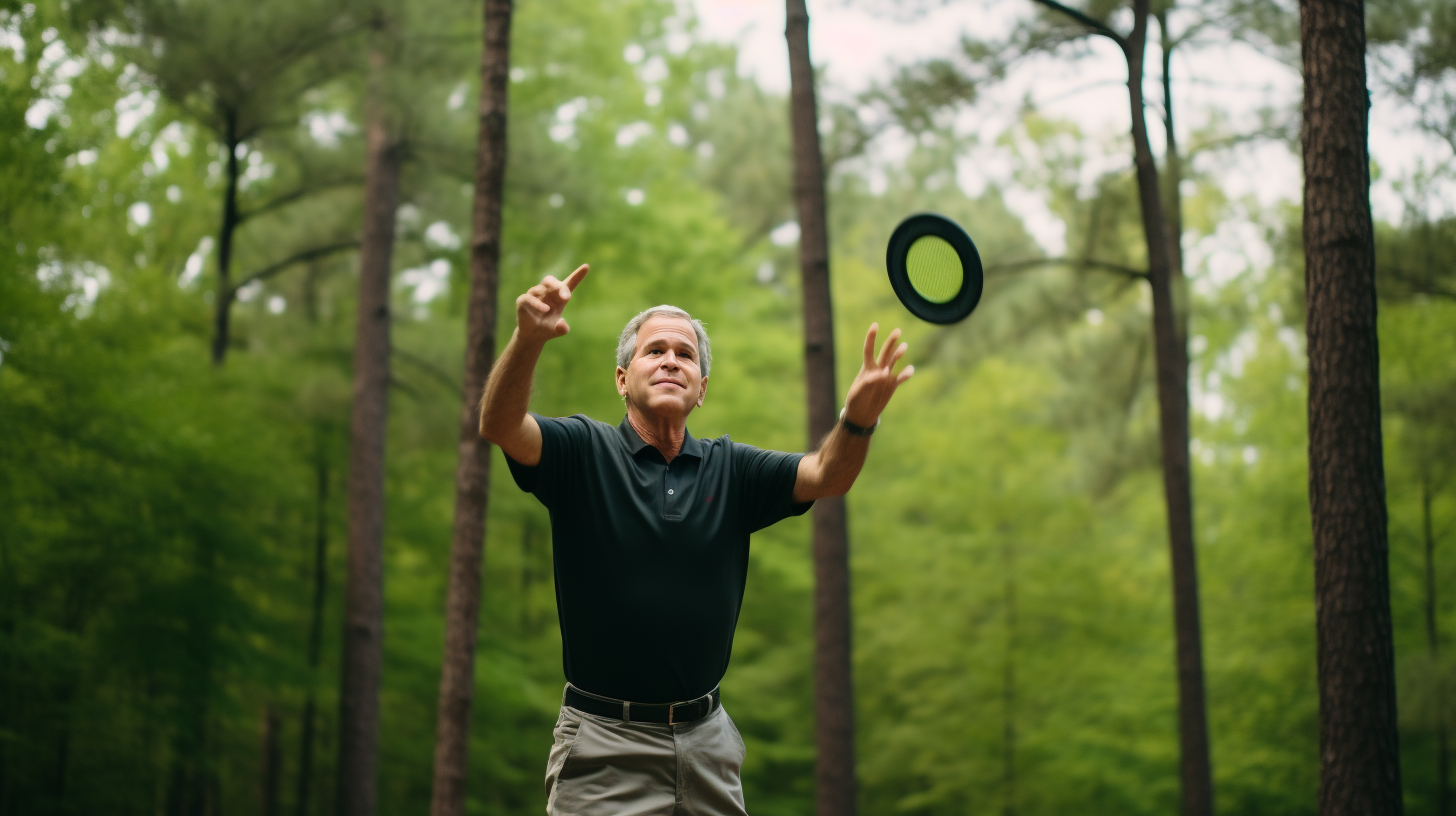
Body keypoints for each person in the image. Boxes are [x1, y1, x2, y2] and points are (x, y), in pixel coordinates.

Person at [479, 263, 914, 816]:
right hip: (605, 746)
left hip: (707, 742)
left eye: (685, 355)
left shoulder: (732, 469)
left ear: (701, 388)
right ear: (622, 378)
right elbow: (500, 424)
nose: (670, 361)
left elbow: (828, 474)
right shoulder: (582, 451)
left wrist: (858, 419)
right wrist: (527, 339)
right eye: (654, 350)